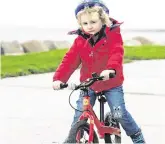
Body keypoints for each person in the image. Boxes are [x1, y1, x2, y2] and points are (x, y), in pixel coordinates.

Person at [52, 0, 145, 143]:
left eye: (93, 22)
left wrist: (111, 69)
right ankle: (71, 140)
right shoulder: (80, 41)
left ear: (102, 20)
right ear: (80, 24)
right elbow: (69, 61)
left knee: (119, 113)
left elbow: (116, 52)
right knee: (79, 115)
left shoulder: (112, 35)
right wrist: (59, 79)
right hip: (88, 83)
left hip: (111, 82)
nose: (89, 27)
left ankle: (136, 135)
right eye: (85, 23)